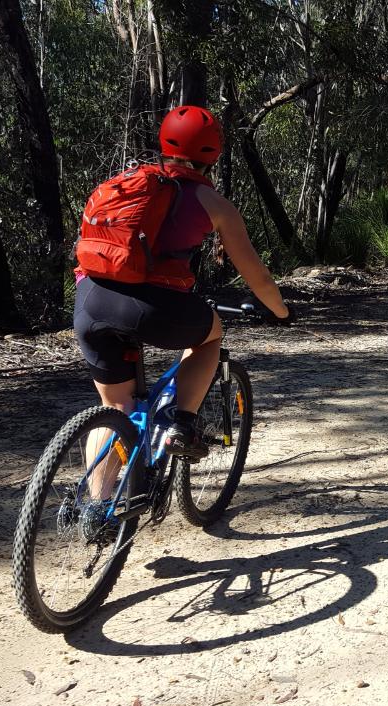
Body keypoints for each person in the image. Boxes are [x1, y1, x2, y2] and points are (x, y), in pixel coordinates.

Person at [74, 106, 291, 488]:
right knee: (211, 335)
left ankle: (97, 509)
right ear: (213, 154)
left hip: (90, 298)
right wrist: (282, 312)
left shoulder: (124, 184)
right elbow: (256, 274)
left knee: (115, 407)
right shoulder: (214, 204)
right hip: (150, 307)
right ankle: (181, 423)